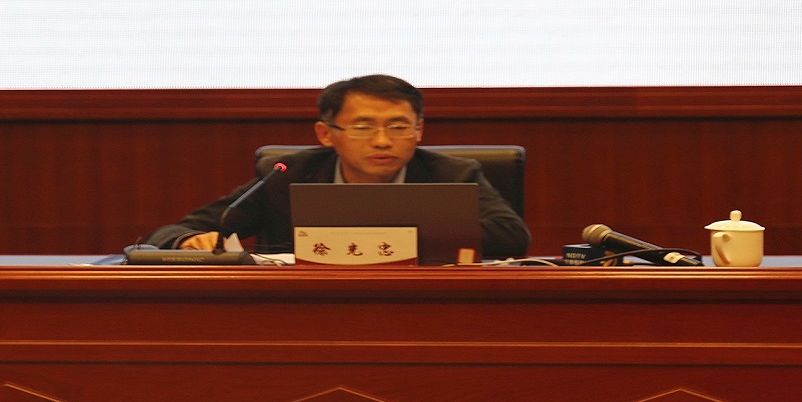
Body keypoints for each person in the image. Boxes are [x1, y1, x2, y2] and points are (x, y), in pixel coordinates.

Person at [145, 74, 530, 258]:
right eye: (363, 128)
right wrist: (186, 242)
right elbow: (171, 232)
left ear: (419, 131)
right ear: (326, 134)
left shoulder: (452, 175)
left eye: (399, 127)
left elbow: (512, 236)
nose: (383, 141)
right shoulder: (289, 174)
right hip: (303, 311)